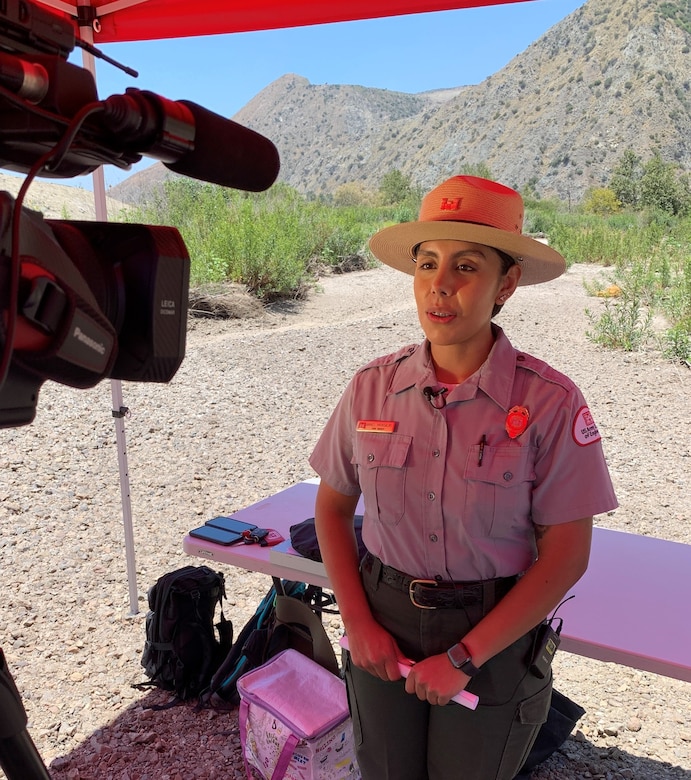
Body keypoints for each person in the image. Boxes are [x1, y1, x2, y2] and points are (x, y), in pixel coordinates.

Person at [308, 175, 618, 780]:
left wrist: (465, 656)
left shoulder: (549, 403)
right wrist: (358, 622)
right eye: (427, 264)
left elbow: (566, 555)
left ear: (507, 284)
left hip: (494, 631)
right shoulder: (373, 387)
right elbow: (332, 508)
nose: (440, 286)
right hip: (383, 616)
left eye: (466, 266)